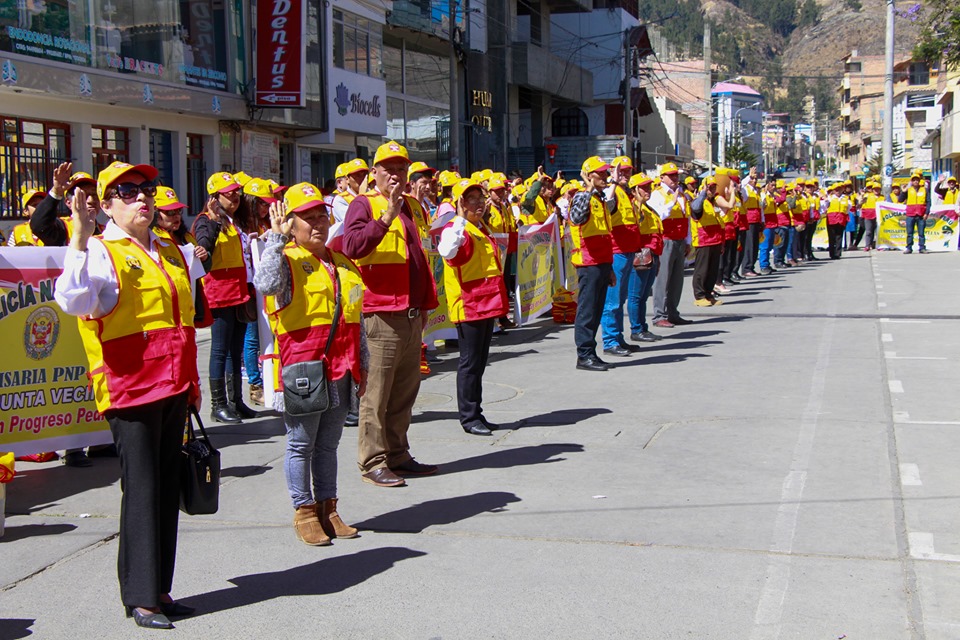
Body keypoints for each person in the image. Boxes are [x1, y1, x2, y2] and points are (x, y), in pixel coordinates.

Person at [55, 161, 203, 630]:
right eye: (127, 190)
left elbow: (183, 322)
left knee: (166, 485)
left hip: (174, 383)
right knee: (141, 489)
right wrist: (78, 236)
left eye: (148, 189)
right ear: (108, 204)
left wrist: (193, 385)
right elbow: (73, 300)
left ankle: (159, 587)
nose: (142, 197)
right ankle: (140, 597)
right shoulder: (100, 250)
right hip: (131, 388)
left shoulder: (170, 250)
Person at [255, 184, 365, 546]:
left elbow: (356, 319)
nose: (317, 223)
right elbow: (266, 283)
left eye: (321, 216)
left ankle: (328, 507)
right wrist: (274, 238)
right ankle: (304, 511)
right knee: (301, 444)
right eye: (307, 218)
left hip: (342, 368)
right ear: (292, 223)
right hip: (304, 371)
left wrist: (363, 368)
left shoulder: (341, 261)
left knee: (328, 446)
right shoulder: (284, 257)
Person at [342, 141, 439, 488]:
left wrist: (427, 305)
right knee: (376, 395)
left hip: (412, 314)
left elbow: (421, 257)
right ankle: (373, 461)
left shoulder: (414, 207)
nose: (396, 175)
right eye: (389, 169)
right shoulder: (363, 205)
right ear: (375, 173)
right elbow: (352, 246)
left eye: (401, 169)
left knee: (404, 393)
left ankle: (398, 453)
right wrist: (385, 217)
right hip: (381, 315)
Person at [437, 178, 510, 435]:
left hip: (486, 305)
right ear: (460, 203)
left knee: (479, 363)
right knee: (469, 364)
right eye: (471, 200)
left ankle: (476, 412)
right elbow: (446, 250)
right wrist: (458, 218)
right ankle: (468, 417)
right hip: (469, 306)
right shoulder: (456, 229)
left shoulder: (480, 227)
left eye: (481, 199)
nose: (478, 204)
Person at [192, 172, 254, 423]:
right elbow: (204, 245)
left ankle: (236, 401)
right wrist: (216, 223)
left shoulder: (234, 221)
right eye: (229, 193)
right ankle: (218, 405)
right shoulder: (207, 221)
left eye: (236, 192)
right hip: (219, 293)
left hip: (238, 292)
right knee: (219, 351)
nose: (235, 197)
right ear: (215, 197)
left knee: (235, 350)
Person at [568, 156, 616, 371]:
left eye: (606, 172)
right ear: (588, 176)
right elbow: (577, 218)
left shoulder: (601, 199)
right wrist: (587, 190)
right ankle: (584, 354)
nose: (605, 176)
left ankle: (591, 352)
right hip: (588, 263)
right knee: (587, 310)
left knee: (596, 310)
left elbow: (605, 235)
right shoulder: (582, 197)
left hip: (602, 262)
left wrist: (610, 267)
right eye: (601, 173)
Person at [600, 156, 642, 357]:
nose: (625, 174)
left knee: (620, 299)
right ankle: (610, 341)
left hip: (627, 252)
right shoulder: (613, 191)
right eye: (621, 171)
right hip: (617, 253)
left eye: (627, 171)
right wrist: (613, 182)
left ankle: (618, 338)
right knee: (612, 301)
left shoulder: (626, 194)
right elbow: (607, 207)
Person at [648, 163, 692, 328]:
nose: (675, 178)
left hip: (680, 240)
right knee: (662, 279)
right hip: (666, 240)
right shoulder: (656, 195)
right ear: (662, 178)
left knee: (676, 279)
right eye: (671, 175)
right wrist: (672, 202)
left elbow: (686, 219)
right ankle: (659, 314)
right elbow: (659, 216)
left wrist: (688, 241)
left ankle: (673, 312)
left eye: (676, 175)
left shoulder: (681, 195)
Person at [628, 172, 664, 343]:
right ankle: (636, 329)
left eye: (648, 186)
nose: (647, 190)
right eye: (643, 188)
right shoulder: (635, 207)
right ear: (634, 190)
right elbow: (636, 224)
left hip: (652, 255)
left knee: (643, 296)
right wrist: (639, 203)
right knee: (636, 295)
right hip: (641, 255)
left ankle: (642, 327)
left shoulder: (648, 207)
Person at [690, 176, 725, 306]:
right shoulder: (699, 201)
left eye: (714, 187)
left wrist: (721, 242)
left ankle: (708, 294)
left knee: (712, 270)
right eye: (709, 187)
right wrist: (703, 192)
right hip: (703, 240)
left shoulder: (713, 202)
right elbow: (696, 208)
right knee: (702, 270)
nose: (712, 189)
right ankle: (699, 296)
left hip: (715, 240)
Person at [332, 159, 370, 224]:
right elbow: (354, 221)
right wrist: (361, 196)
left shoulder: (373, 194)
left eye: (364, 175)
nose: (362, 179)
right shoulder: (341, 199)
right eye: (357, 176)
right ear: (347, 179)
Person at [900, 169, 929, 254]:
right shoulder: (908, 190)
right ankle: (909, 248)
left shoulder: (924, 190)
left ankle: (922, 248)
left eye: (917, 180)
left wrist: (926, 213)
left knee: (921, 233)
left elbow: (928, 202)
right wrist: (903, 192)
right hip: (910, 214)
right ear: (911, 181)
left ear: (919, 181)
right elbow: (900, 200)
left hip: (921, 214)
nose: (916, 181)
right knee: (909, 233)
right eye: (914, 180)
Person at [825, 183, 847, 259]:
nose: (838, 191)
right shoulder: (829, 198)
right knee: (831, 237)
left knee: (839, 236)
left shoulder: (845, 198)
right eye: (836, 190)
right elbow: (825, 207)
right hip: (831, 219)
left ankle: (837, 253)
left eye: (839, 189)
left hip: (841, 219)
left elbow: (848, 209)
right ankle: (832, 253)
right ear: (833, 191)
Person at [860, 181, 880, 251]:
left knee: (878, 231)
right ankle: (867, 245)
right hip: (868, 215)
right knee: (868, 231)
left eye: (878, 189)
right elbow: (861, 203)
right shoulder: (867, 195)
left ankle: (879, 245)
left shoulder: (882, 197)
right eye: (875, 189)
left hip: (879, 217)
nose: (876, 190)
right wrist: (862, 197)